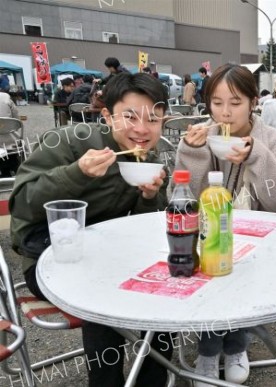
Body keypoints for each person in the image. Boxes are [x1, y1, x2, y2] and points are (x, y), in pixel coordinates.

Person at [10, 72, 174, 387]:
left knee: (165, 289)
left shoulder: (147, 160)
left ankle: (152, 380)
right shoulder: (72, 141)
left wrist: (149, 197)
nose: (141, 129)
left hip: (109, 254)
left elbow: (143, 227)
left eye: (153, 119)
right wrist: (76, 173)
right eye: (130, 116)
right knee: (103, 299)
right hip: (48, 257)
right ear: (106, 116)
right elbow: (22, 204)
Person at [175, 63, 276, 387]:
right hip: (211, 238)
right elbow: (184, 200)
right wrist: (192, 152)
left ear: (253, 101)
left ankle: (235, 347)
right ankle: (208, 351)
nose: (226, 113)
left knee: (240, 270)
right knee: (211, 259)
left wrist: (256, 156)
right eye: (217, 103)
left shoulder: (274, 142)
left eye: (235, 102)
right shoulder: (203, 137)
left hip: (261, 248)